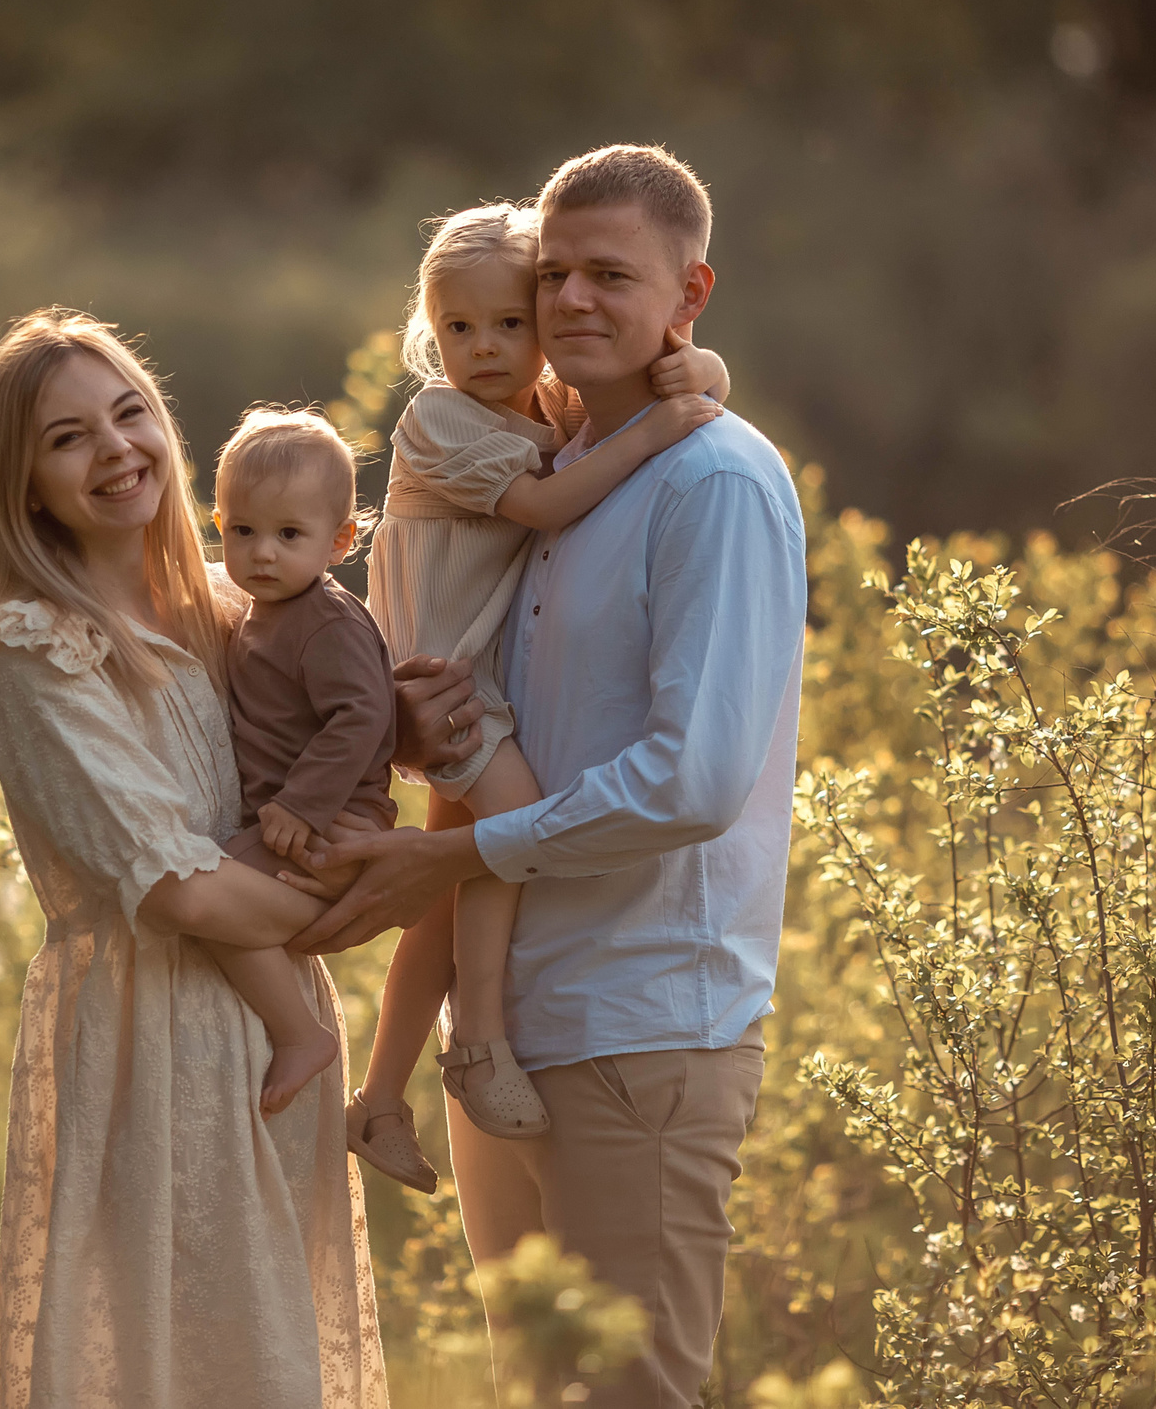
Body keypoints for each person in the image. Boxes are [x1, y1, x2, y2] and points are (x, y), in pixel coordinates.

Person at [297, 146, 809, 1409]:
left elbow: (690, 783)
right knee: (534, 1394)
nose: (573, 300)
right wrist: (411, 719)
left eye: (610, 276)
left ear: (690, 292)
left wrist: (455, 855)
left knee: (631, 1396)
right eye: (555, 274)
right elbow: (483, 677)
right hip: (511, 1033)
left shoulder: (714, 482)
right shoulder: (544, 458)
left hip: (641, 1030)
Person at [0, 309, 387, 1409]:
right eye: (66, 438)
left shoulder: (230, 599)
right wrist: (377, 897)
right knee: (182, 1357)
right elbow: (181, 887)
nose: (115, 450)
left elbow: (336, 712)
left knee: (273, 1351)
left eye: (129, 412)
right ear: (23, 482)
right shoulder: (38, 650)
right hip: (154, 1043)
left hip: (273, 1027)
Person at [347, 201, 727, 1192]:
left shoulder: (545, 407)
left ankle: (378, 1098)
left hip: (487, 674)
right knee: (508, 825)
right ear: (430, 329)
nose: (482, 348)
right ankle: (478, 1043)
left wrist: (702, 378)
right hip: (445, 684)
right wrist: (666, 429)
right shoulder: (438, 419)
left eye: (508, 324)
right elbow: (553, 501)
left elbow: (671, 377)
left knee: (445, 882)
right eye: (457, 327)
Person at [207, 405, 398, 1115]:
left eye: (290, 535)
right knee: (216, 889)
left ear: (341, 540)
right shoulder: (268, 606)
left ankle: (299, 1035)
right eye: (243, 531)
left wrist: (302, 804)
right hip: (295, 816)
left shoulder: (324, 620)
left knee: (210, 901)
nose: (262, 553)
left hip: (334, 820)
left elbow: (364, 715)